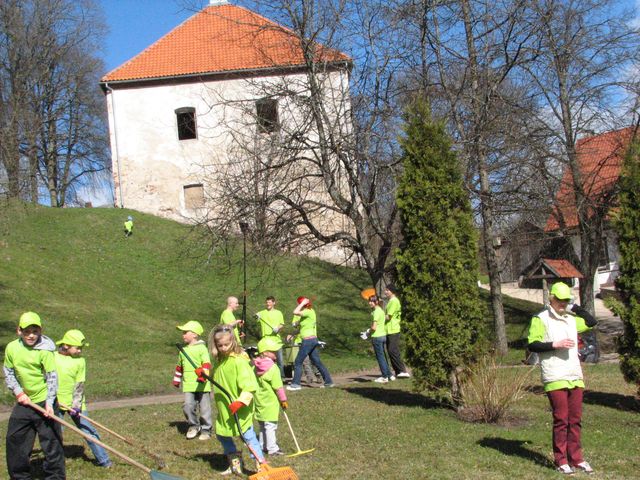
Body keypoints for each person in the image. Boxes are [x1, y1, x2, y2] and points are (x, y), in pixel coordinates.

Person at [527, 282, 597, 475]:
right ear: (551, 298)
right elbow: (533, 344)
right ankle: (561, 460)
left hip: (574, 375)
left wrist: (574, 306)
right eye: (559, 299)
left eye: (566, 300)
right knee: (561, 419)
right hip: (555, 375)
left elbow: (591, 322)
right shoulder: (540, 318)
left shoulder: (570, 318)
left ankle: (576, 458)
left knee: (575, 419)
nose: (562, 303)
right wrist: (554, 344)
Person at [4, 311, 65, 479]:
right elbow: (8, 371)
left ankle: (55, 476)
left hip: (45, 400)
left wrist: (49, 402)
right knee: (15, 440)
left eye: (35, 331)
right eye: (27, 331)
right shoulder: (12, 348)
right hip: (25, 402)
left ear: (41, 331)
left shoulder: (45, 350)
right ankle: (19, 476)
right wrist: (18, 392)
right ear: (19, 331)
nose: (31, 335)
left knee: (51, 443)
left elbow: (52, 376)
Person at [208, 324, 266, 475]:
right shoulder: (221, 361)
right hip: (225, 409)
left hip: (239, 408)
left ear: (233, 342)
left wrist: (241, 401)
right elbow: (218, 378)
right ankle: (235, 463)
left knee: (248, 436)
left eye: (226, 344)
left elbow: (250, 386)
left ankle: (261, 465)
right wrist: (204, 375)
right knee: (222, 434)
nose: (223, 348)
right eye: (220, 345)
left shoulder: (239, 362)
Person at [55, 329, 112, 468]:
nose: (80, 351)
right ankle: (54, 463)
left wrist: (76, 405)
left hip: (76, 403)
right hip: (56, 403)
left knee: (88, 430)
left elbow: (79, 385)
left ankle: (104, 460)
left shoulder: (80, 361)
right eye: (77, 348)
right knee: (55, 434)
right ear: (66, 345)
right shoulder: (52, 357)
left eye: (81, 348)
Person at [174, 321, 212, 441]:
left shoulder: (202, 349)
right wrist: (176, 379)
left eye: (186, 332)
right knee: (187, 406)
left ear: (195, 334)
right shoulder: (183, 350)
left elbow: (206, 364)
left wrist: (203, 376)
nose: (183, 335)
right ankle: (194, 426)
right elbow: (180, 366)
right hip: (189, 384)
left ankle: (206, 429)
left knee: (205, 408)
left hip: (202, 384)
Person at [286, 297, 333, 391]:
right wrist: (292, 334)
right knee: (317, 362)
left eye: (298, 303)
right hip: (312, 340)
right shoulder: (307, 314)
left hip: (308, 341)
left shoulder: (308, 311)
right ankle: (328, 382)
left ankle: (295, 384)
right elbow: (302, 329)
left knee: (298, 362)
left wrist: (302, 303)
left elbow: (295, 311)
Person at [253, 337, 288, 456]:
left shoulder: (254, 366)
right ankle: (272, 448)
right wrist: (283, 400)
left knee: (263, 425)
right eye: (273, 351)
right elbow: (278, 387)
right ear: (265, 352)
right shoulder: (273, 368)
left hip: (259, 400)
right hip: (270, 402)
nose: (276, 353)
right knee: (270, 426)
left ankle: (263, 446)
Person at [255, 296, 285, 378]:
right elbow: (256, 317)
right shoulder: (262, 313)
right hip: (266, 339)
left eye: (269, 302)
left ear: (274, 303)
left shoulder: (278, 313)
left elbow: (282, 324)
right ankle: (267, 376)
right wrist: (257, 316)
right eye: (267, 302)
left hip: (276, 339)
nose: (268, 304)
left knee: (280, 360)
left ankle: (281, 377)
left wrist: (277, 328)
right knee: (267, 360)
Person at [384, 285, 410, 378]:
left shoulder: (394, 301)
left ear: (392, 291)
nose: (385, 292)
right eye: (385, 290)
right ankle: (398, 372)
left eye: (387, 290)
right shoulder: (390, 301)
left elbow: (388, 316)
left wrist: (379, 315)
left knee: (392, 350)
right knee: (391, 351)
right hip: (389, 329)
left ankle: (403, 371)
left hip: (393, 329)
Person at [367, 295, 393, 383]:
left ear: (376, 302)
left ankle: (384, 376)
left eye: (372, 301)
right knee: (383, 357)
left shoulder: (376, 312)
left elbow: (374, 327)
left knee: (380, 357)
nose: (370, 303)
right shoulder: (381, 311)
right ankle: (389, 375)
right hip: (383, 336)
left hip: (377, 337)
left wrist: (367, 332)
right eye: (369, 301)